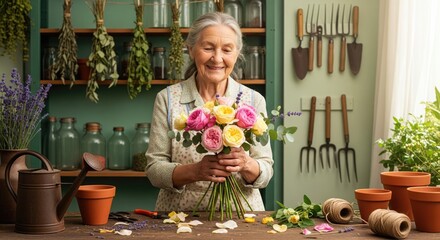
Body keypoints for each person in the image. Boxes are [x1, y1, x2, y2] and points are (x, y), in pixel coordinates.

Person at [145, 12, 273, 212]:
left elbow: (266, 171)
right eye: (208, 48)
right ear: (191, 50)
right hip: (179, 218)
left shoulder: (253, 100)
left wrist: (246, 163)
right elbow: (154, 169)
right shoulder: (168, 99)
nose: (217, 58)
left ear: (237, 54)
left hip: (243, 218)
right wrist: (195, 171)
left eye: (227, 50)